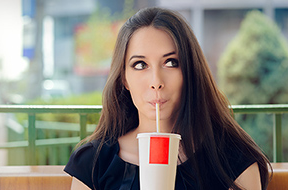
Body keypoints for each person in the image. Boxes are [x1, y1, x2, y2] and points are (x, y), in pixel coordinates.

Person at [64, 7, 271, 190]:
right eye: (140, 65)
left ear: (190, 71)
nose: (156, 81)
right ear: (124, 79)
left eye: (171, 62)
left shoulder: (232, 160)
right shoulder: (94, 161)